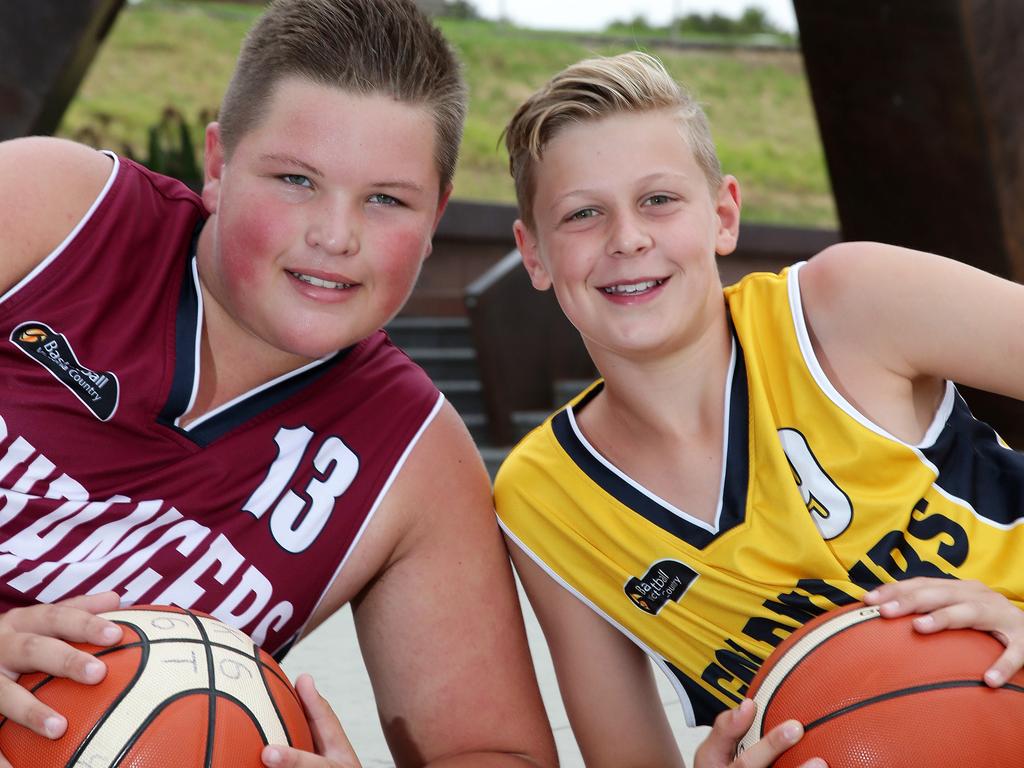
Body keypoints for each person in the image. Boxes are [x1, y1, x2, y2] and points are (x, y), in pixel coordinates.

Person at [0, 1, 558, 766]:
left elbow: (498, 754)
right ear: (220, 166)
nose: (335, 235)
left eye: (387, 199)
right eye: (297, 179)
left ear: (437, 218)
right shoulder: (57, 213)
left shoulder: (413, 459)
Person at [494, 50, 1024, 768]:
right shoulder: (544, 500)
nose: (627, 238)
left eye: (658, 200)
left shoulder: (844, 308)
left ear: (723, 215)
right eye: (582, 213)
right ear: (534, 255)